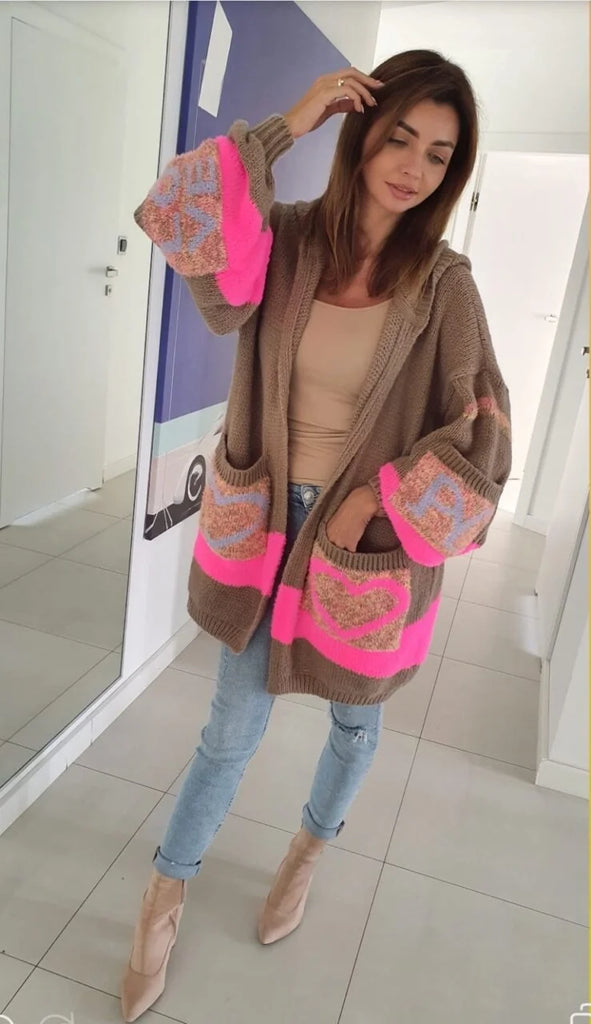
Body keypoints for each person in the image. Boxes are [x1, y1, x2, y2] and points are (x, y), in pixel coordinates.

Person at [121, 49, 512, 1021]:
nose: (413, 166)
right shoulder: (288, 241)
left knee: (355, 718)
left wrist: (375, 499)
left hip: (364, 539)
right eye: (399, 137)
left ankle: (308, 849)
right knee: (230, 730)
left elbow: (484, 430)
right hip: (261, 520)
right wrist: (285, 125)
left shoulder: (444, 286)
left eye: (439, 153)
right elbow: (182, 213)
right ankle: (163, 898)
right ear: (361, 134)